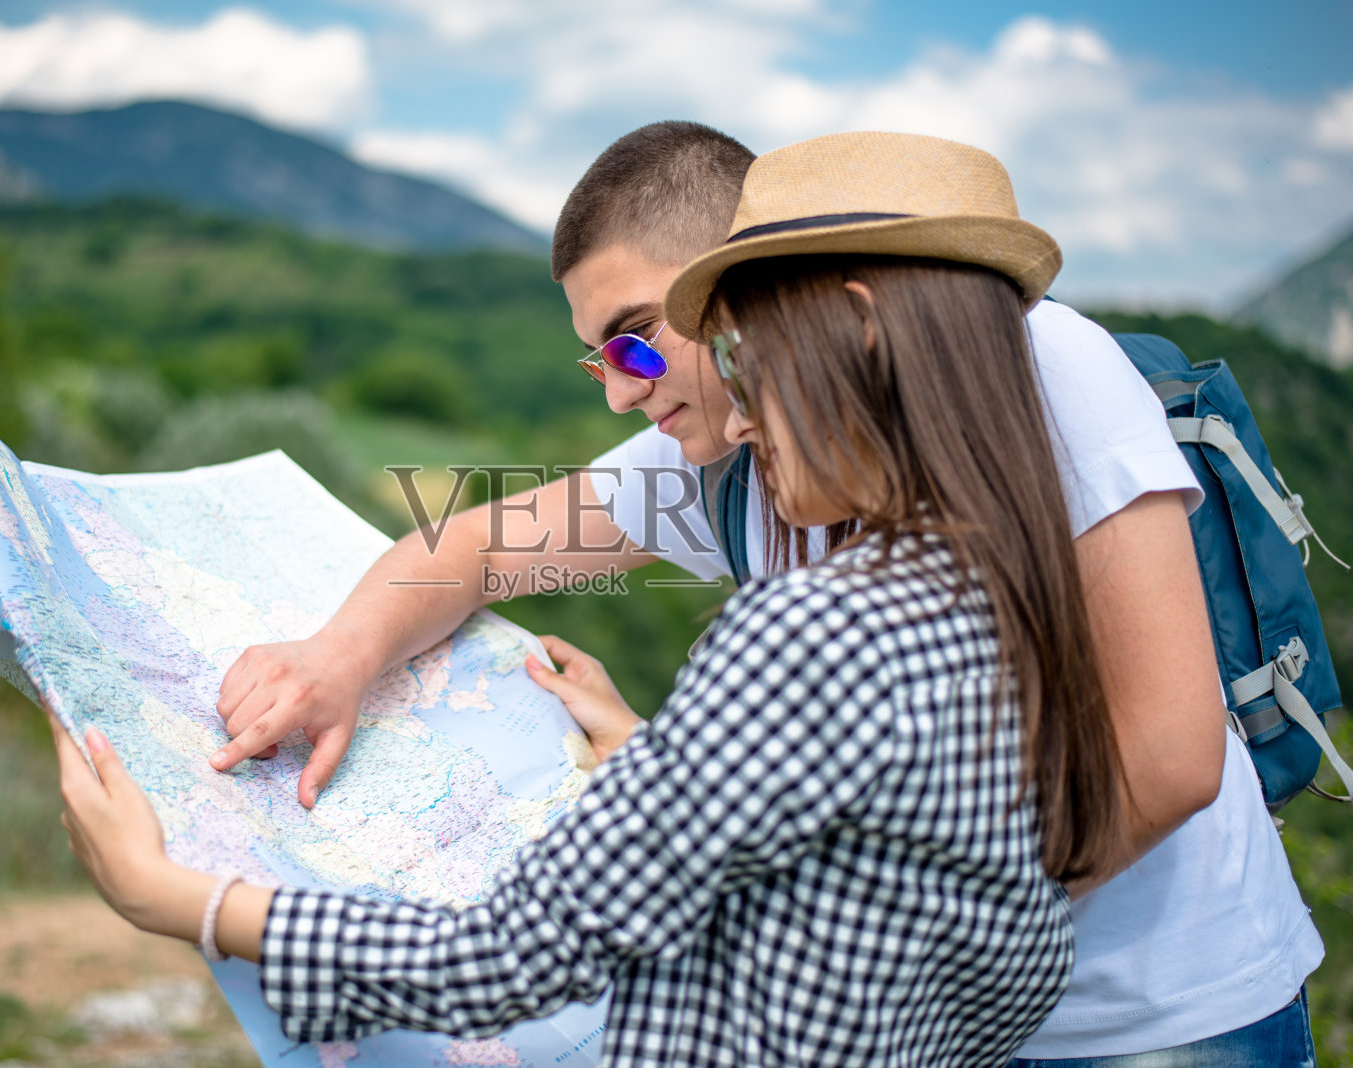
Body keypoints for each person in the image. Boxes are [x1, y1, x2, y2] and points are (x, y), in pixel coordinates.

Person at [208, 122, 1324, 1064]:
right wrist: (335, 659)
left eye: (634, 343)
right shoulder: (725, 454)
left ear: (741, 283)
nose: (618, 395)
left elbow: (1168, 759)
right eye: (595, 362)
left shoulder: (1046, 368)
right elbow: (481, 549)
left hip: (1162, 1017)